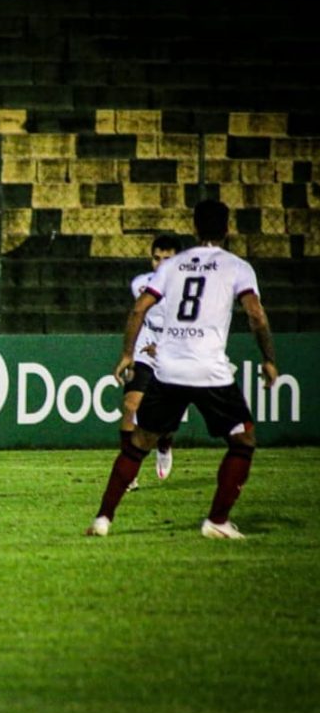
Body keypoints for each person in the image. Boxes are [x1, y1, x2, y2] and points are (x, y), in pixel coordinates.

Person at [86, 200, 278, 539]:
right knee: (243, 439)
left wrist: (128, 353)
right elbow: (256, 314)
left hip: (169, 368)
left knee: (138, 442)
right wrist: (269, 358)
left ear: (194, 228)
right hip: (209, 369)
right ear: (227, 229)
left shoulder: (173, 266)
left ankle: (103, 518)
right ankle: (217, 520)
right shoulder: (237, 267)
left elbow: (139, 309)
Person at [121, 233, 183, 491]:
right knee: (131, 404)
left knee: (164, 418)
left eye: (167, 259)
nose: (160, 264)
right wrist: (129, 353)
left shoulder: (189, 289)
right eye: (156, 258)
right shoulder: (140, 284)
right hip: (144, 346)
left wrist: (164, 346)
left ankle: (164, 443)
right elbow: (138, 314)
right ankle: (128, 473)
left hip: (175, 349)